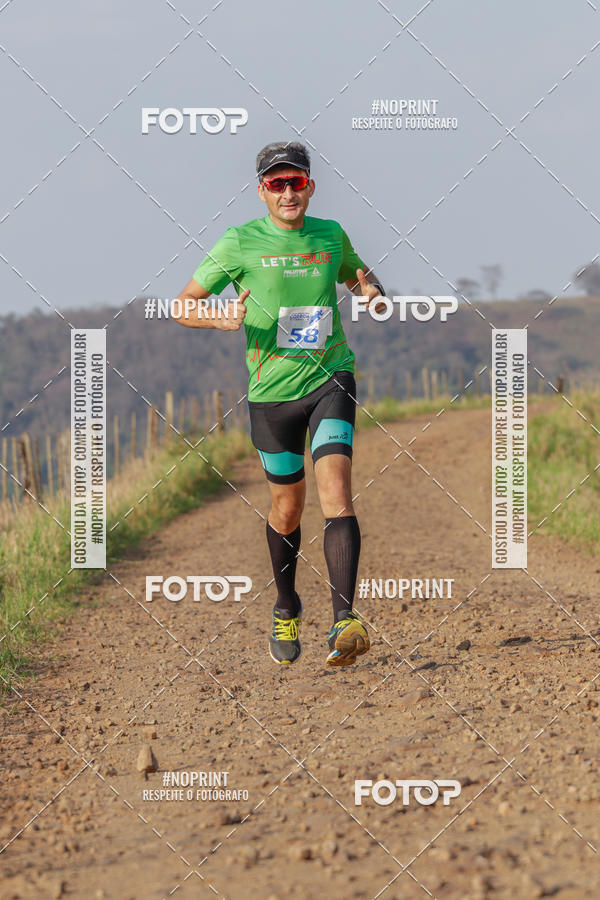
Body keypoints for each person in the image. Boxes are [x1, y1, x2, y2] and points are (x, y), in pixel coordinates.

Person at [174, 141, 385, 667]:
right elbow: (182, 306)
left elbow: (357, 272)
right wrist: (218, 318)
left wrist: (373, 295)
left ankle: (343, 621)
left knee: (336, 489)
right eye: (277, 183)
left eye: (296, 181)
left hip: (329, 377)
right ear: (263, 191)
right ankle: (286, 605)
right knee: (287, 509)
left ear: (310, 185)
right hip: (271, 397)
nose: (288, 192)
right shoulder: (240, 242)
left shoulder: (331, 234)